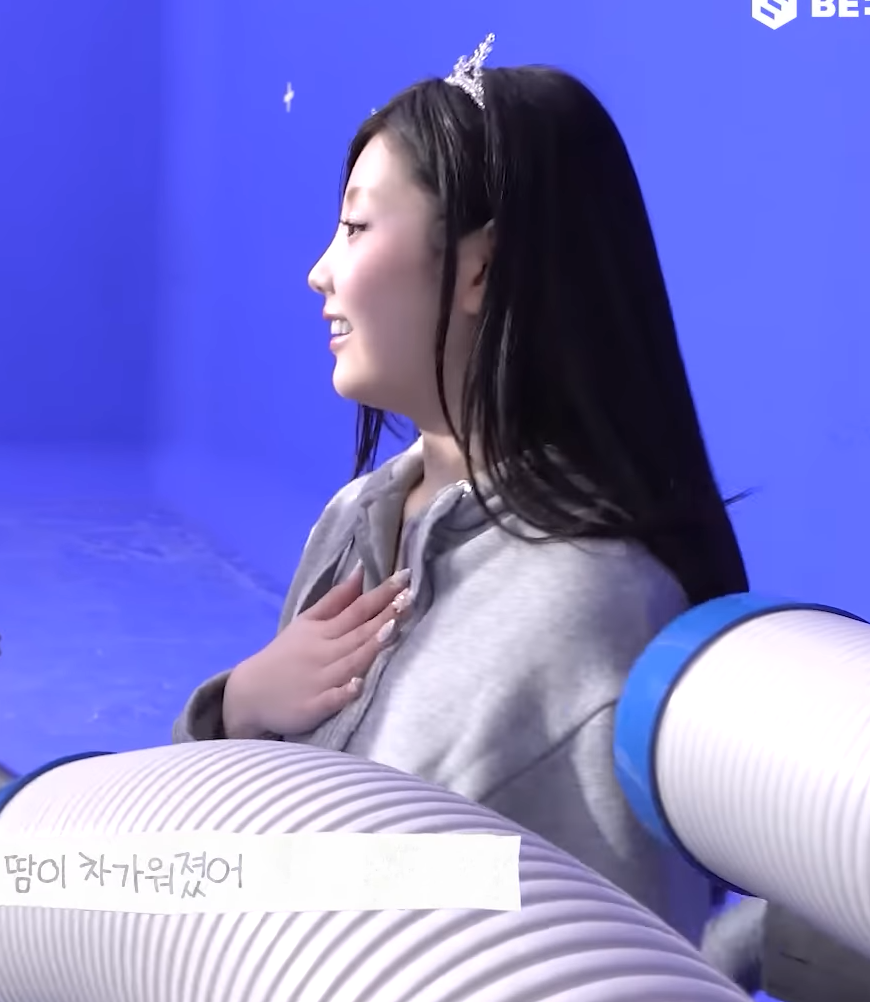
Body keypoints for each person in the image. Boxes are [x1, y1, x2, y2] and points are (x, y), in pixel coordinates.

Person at [173, 36, 749, 952]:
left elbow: (600, 959)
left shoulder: (587, 611)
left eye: (356, 228)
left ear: (481, 268)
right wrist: (236, 707)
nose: (319, 270)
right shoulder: (356, 518)